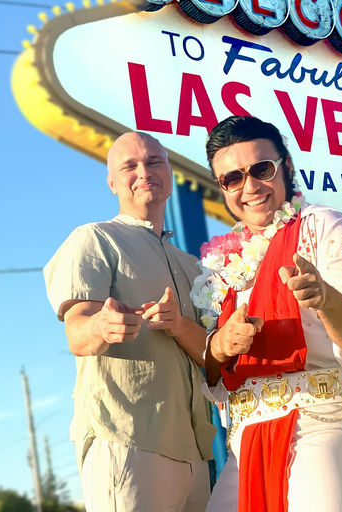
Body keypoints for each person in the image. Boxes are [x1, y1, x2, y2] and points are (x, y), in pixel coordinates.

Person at [197, 116, 342, 512]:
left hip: (331, 419)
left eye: (261, 170)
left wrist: (325, 299)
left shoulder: (327, 228)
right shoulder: (225, 260)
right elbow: (215, 376)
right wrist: (220, 345)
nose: (249, 187)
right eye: (232, 178)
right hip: (248, 440)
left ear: (285, 167)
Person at [43, 132, 216, 511]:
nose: (144, 171)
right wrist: (101, 327)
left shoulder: (193, 265)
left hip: (195, 450)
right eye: (130, 165)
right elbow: (77, 331)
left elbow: (211, 356)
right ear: (112, 182)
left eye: (155, 161)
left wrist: (180, 324)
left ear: (169, 171)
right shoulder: (94, 238)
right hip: (126, 438)